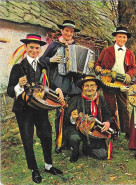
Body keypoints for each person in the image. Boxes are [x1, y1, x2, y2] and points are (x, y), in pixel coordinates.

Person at [7, 34, 63, 184]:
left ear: (40, 49)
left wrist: (57, 90)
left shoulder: (43, 65)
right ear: (25, 48)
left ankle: (48, 165)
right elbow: (10, 91)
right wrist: (19, 85)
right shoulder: (18, 67)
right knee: (27, 139)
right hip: (23, 109)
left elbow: (50, 84)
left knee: (46, 133)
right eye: (31, 47)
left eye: (37, 48)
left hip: (40, 107)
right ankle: (34, 169)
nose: (34, 50)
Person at [40, 20, 83, 153]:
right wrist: (51, 60)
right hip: (58, 84)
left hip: (73, 85)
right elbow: (42, 60)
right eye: (66, 30)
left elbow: (80, 67)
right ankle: (59, 142)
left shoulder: (75, 47)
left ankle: (70, 139)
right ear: (62, 31)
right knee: (60, 113)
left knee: (71, 113)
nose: (69, 33)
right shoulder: (54, 45)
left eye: (71, 31)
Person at [94, 26, 136, 137]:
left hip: (122, 83)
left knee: (124, 106)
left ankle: (127, 130)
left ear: (126, 39)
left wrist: (129, 75)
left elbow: (133, 68)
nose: (121, 39)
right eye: (119, 37)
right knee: (110, 106)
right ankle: (113, 130)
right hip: (108, 81)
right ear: (115, 38)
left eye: (124, 37)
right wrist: (98, 68)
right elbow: (97, 64)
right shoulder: (107, 51)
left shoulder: (129, 53)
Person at [63, 75, 114, 163]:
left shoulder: (100, 99)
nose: (89, 88)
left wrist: (107, 122)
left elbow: (107, 114)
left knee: (102, 155)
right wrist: (72, 117)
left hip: (94, 131)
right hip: (77, 130)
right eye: (87, 86)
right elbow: (66, 119)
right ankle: (75, 152)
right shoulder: (75, 99)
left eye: (92, 85)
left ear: (96, 86)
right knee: (74, 138)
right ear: (82, 87)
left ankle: (86, 148)